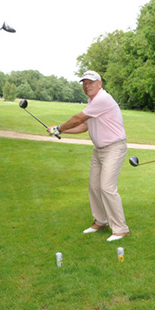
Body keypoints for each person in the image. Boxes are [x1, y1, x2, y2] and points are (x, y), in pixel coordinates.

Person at [48, 71, 130, 242]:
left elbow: (78, 118)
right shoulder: (92, 101)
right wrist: (58, 130)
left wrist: (60, 128)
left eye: (91, 82)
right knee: (94, 186)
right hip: (99, 149)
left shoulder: (103, 99)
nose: (87, 85)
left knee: (107, 187)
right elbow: (84, 126)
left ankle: (121, 229)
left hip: (114, 147)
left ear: (100, 83)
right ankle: (101, 221)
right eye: (84, 82)